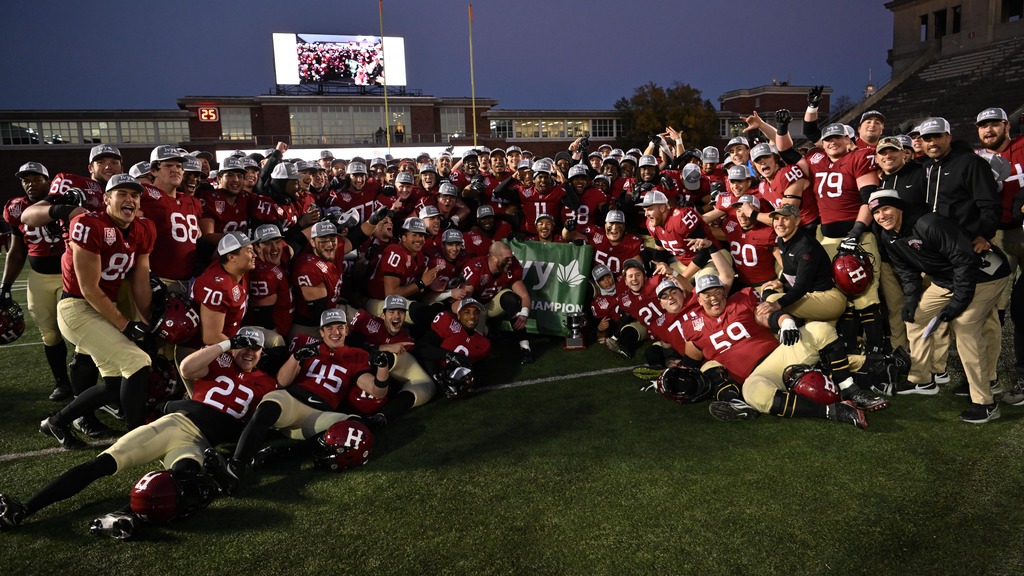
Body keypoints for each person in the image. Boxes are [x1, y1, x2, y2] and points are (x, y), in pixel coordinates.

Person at [0, 327, 277, 537]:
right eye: (244, 345)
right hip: (176, 425)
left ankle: (123, 516)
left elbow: (263, 422)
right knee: (104, 464)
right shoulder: (220, 360)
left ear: (262, 354)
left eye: (256, 348)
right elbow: (186, 367)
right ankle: (24, 509)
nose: (249, 351)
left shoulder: (266, 383)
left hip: (201, 443)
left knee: (187, 484)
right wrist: (227, 343)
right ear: (234, 348)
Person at [869, 190, 1010, 423]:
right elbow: (907, 270)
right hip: (946, 279)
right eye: (876, 212)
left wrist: (958, 302)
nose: (882, 216)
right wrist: (911, 300)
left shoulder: (929, 224)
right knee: (915, 317)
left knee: (965, 327)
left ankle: (985, 403)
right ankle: (922, 380)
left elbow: (964, 260)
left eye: (886, 209)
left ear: (899, 208)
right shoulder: (888, 236)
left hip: (984, 276)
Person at [41, 174, 156, 448]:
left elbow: (141, 280)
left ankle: (56, 422)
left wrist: (149, 322)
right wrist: (126, 325)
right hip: (77, 307)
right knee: (137, 362)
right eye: (122, 194)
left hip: (103, 307)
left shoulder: (144, 227)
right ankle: (136, 436)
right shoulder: (89, 223)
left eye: (135, 195)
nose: (130, 200)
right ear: (106, 199)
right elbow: (89, 288)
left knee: (114, 383)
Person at [680, 275, 883, 426]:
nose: (714, 298)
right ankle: (833, 411)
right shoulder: (693, 326)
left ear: (725, 293)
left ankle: (850, 389)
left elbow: (766, 316)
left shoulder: (741, 300)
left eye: (717, 292)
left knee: (820, 329)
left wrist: (786, 322)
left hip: (780, 354)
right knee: (754, 394)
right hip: (757, 376)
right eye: (707, 295)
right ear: (699, 299)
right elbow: (692, 358)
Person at [228, 309, 387, 484]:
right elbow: (282, 382)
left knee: (355, 426)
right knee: (270, 405)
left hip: (319, 414)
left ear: (347, 330)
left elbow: (377, 391)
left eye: (340, 327)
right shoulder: (308, 346)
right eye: (330, 328)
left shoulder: (357, 355)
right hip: (293, 401)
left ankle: (283, 452)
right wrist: (296, 358)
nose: (335, 332)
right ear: (321, 332)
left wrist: (382, 367)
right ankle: (237, 464)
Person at [2, 162, 75, 402]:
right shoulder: (16, 208)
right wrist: (5, 285)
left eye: (36, 179)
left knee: (79, 333)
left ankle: (88, 385)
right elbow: (16, 251)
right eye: (26, 180)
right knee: (50, 334)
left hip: (70, 276)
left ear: (48, 181)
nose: (30, 184)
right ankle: (62, 383)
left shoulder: (66, 201)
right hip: (39, 278)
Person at [975, 107, 1024, 404]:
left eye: (994, 124)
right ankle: (988, 374)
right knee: (993, 305)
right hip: (997, 236)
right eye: (983, 126)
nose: (988, 130)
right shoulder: (977, 158)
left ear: (1007, 126)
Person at [757, 204, 846, 322]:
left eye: (785, 218)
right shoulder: (782, 239)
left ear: (797, 221)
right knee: (768, 291)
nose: (779, 223)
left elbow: (801, 287)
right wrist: (780, 281)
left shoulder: (805, 247)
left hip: (827, 297)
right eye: (776, 219)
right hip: (810, 295)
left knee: (772, 301)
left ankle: (789, 327)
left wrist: (777, 304)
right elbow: (790, 266)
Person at [459, 241, 534, 364]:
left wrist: (524, 314)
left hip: (491, 305)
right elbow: (464, 302)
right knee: (479, 351)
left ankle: (525, 347)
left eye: (511, 258)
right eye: (507, 259)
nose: (510, 262)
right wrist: (476, 320)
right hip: (474, 307)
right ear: (493, 258)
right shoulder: (476, 267)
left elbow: (524, 295)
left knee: (510, 298)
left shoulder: (512, 266)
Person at [417, 298, 492, 397]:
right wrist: (449, 355)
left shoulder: (483, 343)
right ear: (459, 315)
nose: (472, 316)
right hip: (428, 372)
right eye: (467, 312)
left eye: (476, 313)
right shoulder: (448, 321)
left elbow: (480, 372)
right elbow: (422, 348)